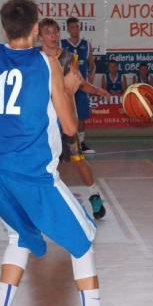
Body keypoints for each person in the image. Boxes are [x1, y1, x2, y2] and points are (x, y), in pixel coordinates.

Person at [0, 0, 116, 306]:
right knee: (82, 243)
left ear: (5, 28)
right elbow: (68, 127)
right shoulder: (47, 63)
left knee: (19, 237)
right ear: (36, 29)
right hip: (29, 176)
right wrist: (68, 90)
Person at [39, 18, 110, 220]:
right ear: (40, 36)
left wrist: (97, 90)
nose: (52, 36)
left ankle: (94, 195)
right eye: (48, 32)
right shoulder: (35, 58)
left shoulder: (69, 57)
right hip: (44, 121)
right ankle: (41, 204)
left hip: (65, 118)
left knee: (78, 159)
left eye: (55, 31)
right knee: (45, 163)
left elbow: (80, 82)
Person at [61, 16, 96, 154]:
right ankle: (65, 143)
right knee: (64, 113)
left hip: (81, 86)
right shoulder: (62, 44)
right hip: (66, 86)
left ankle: (81, 143)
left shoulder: (87, 45)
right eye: (72, 27)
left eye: (77, 26)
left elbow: (92, 65)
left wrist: (91, 75)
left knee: (81, 115)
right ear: (68, 29)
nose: (75, 29)